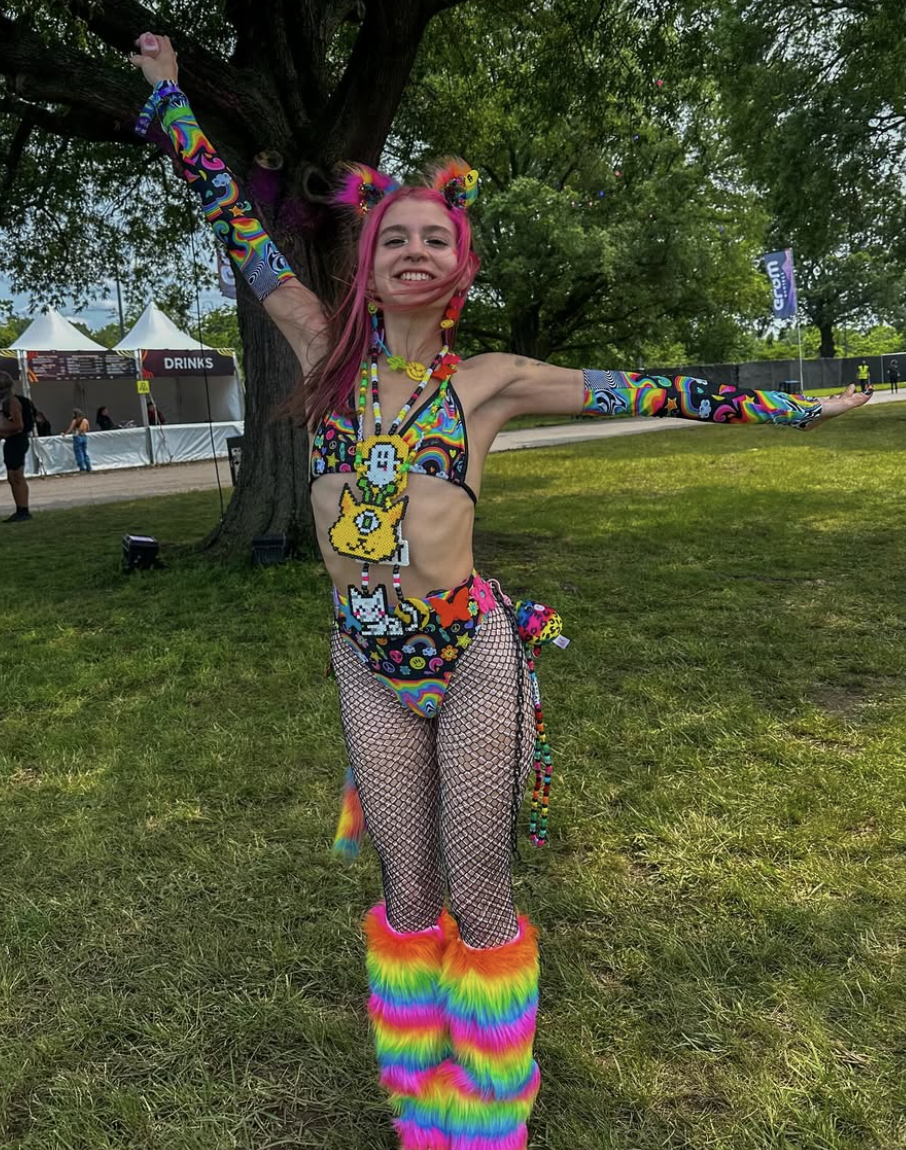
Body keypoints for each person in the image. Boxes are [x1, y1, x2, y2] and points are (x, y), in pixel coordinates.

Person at [131, 36, 872, 1150]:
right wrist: (170, 103)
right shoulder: (321, 347)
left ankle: (484, 1124)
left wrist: (794, 407)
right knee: (409, 893)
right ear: (367, 261)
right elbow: (238, 227)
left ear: (460, 269)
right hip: (366, 662)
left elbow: (652, 387)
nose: (415, 250)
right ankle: (421, 1103)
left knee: (477, 889)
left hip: (471, 652)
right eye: (395, 237)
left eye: (436, 238)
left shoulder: (490, 382)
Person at [0, 370, 33, 521]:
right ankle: (20, 509)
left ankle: (23, 510)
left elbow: (18, 425)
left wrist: (1, 429)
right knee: (13, 477)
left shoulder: (12, 401)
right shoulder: (8, 402)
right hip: (13, 440)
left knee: (17, 476)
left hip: (16, 440)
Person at [62, 408, 92, 473]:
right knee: (84, 452)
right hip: (84, 436)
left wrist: (65, 433)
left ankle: (82, 468)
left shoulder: (75, 420)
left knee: (78, 453)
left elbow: (70, 429)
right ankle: (89, 467)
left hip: (77, 437)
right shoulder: (85, 420)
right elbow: (88, 429)